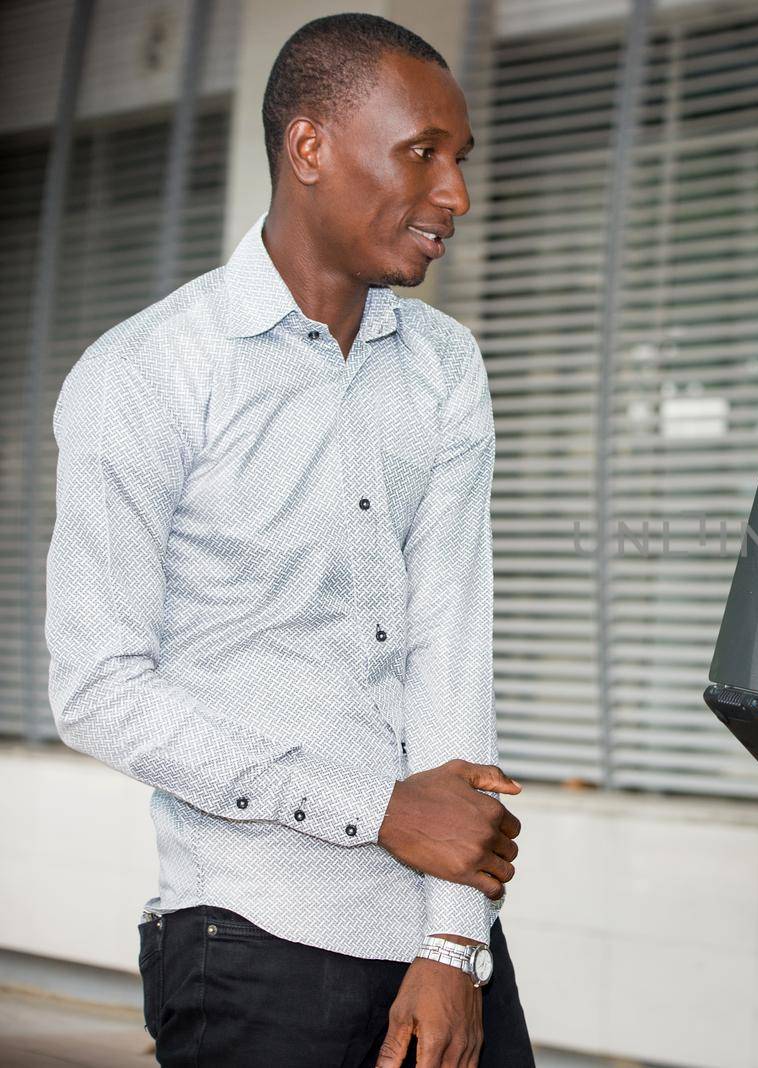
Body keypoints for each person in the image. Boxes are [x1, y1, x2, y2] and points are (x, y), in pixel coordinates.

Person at [45, 15, 534, 1068]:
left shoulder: (446, 369)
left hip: (434, 939)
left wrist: (453, 943)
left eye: (461, 161)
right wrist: (379, 809)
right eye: (423, 154)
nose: (454, 195)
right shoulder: (148, 375)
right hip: (250, 939)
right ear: (309, 149)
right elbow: (97, 687)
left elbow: (451, 649)